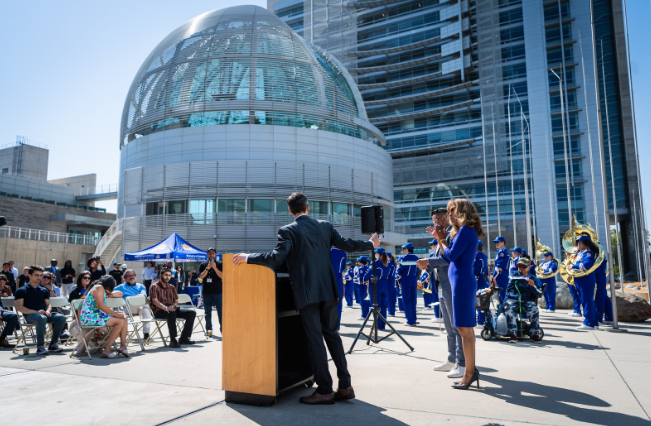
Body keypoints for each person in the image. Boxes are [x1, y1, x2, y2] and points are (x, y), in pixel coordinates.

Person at [232, 192, 380, 405]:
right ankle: (345, 386)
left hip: (307, 293)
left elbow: (276, 258)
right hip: (329, 290)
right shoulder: (325, 226)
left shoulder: (287, 230)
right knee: (333, 336)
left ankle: (326, 389)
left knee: (315, 340)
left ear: (290, 210)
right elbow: (347, 245)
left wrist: (248, 257)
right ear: (308, 207)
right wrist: (370, 244)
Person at [433, 198, 484, 390]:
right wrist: (443, 238)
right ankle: (471, 370)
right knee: (465, 330)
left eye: (452, 211)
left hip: (462, 284)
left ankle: (469, 373)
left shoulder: (465, 231)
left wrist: (441, 239)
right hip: (460, 284)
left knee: (464, 331)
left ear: (462, 211)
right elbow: (450, 256)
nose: (450, 214)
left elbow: (451, 255)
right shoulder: (463, 232)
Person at [417, 208, 464, 378]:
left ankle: (461, 362)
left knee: (457, 327)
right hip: (442, 286)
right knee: (449, 328)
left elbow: (447, 259)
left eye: (436, 220)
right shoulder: (442, 237)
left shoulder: (451, 236)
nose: (434, 224)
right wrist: (426, 265)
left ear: (444, 218)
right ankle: (452, 359)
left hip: (450, 286)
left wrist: (427, 261)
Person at [14, 265, 67, 355]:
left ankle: (53, 344)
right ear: (30, 275)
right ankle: (40, 346)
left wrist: (48, 311)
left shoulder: (44, 290)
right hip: (30, 315)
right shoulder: (21, 291)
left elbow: (48, 304)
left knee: (61, 317)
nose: (39, 277)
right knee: (41, 318)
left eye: (40, 275)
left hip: (43, 314)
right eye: (36, 275)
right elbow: (19, 308)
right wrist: (36, 312)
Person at [80, 275, 130, 359]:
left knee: (124, 318)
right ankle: (107, 350)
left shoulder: (102, 290)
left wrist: (109, 294)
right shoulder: (99, 288)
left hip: (97, 315)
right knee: (120, 321)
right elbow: (100, 306)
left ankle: (123, 346)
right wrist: (115, 314)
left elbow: (120, 294)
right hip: (89, 317)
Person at [150, 268, 196, 347]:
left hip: (171, 309)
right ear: (161, 275)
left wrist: (173, 306)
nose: (167, 277)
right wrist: (165, 308)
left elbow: (176, 301)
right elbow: (154, 301)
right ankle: (173, 339)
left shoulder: (172, 287)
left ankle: (184, 338)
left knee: (192, 313)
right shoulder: (154, 286)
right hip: (159, 311)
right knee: (171, 312)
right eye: (165, 275)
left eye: (169, 275)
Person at [504, 257, 543, 343]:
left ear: (529, 267)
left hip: (527, 300)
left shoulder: (533, 278)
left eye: (523, 266)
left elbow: (539, 293)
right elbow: (512, 278)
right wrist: (525, 278)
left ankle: (534, 333)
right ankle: (513, 334)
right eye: (519, 266)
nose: (521, 268)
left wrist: (532, 286)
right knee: (510, 308)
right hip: (512, 299)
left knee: (534, 309)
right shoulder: (513, 274)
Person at [571, 234, 599, 330]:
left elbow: (586, 266)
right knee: (585, 300)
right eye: (578, 242)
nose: (578, 244)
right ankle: (594, 323)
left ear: (586, 243)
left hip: (585, 279)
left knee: (587, 301)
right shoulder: (580, 253)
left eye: (581, 242)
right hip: (580, 279)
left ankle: (588, 323)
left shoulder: (588, 252)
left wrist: (573, 267)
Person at [115, 269, 152, 339]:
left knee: (146, 310)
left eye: (132, 275)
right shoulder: (121, 287)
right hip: (128, 309)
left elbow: (143, 295)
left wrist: (138, 298)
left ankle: (146, 333)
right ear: (125, 278)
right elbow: (109, 291)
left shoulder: (141, 286)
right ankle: (153, 308)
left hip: (139, 307)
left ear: (135, 276)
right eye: (129, 276)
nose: (131, 277)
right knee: (146, 304)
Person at [365, 247, 391, 330]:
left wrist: (365, 278)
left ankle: (378, 325)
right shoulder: (387, 263)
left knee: (376, 306)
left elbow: (367, 275)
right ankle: (383, 325)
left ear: (378, 254)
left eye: (376, 253)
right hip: (384, 284)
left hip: (376, 285)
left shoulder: (375, 263)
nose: (375, 254)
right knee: (383, 306)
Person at [199, 248, 223, 334]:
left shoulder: (220, 264)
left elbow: (222, 276)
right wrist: (208, 268)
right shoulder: (203, 264)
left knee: (220, 311)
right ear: (207, 255)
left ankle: (222, 330)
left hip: (218, 291)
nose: (211, 255)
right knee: (207, 312)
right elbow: (201, 277)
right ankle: (209, 330)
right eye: (209, 253)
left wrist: (215, 268)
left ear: (215, 254)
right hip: (206, 292)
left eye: (213, 253)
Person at [396, 242, 420, 326]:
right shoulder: (417, 258)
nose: (404, 250)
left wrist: (398, 279)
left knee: (406, 300)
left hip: (406, 279)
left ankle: (410, 320)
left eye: (404, 249)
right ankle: (414, 318)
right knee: (413, 300)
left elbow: (399, 271)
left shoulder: (404, 258)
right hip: (414, 279)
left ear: (406, 249)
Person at [594, 254, 614, 326]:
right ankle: (609, 318)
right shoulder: (597, 248)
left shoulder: (596, 248)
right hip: (600, 273)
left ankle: (598, 319)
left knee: (598, 298)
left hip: (598, 274)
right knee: (604, 297)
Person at [330, 247, 347, 329]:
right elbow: (343, 266)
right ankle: (337, 327)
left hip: (327, 276)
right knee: (338, 303)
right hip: (338, 277)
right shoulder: (342, 252)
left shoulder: (325, 250)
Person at [491, 236, 510, 302]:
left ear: (503, 242)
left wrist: (494, 277)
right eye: (495, 242)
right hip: (503, 274)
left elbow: (499, 267)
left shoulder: (502, 252)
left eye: (498, 242)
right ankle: (504, 310)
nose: (496, 244)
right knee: (502, 294)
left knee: (502, 295)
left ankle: (505, 311)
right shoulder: (502, 251)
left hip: (502, 275)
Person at [474, 241, 489, 326]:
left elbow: (476, 269)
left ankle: (479, 321)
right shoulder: (483, 255)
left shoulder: (476, 256)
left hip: (477, 280)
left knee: (476, 300)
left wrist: (474, 277)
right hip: (483, 280)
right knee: (483, 299)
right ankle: (482, 320)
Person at [427, 239, 442, 322]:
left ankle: (438, 316)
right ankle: (440, 316)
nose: (431, 246)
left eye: (432, 244)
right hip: (439, 277)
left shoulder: (433, 255)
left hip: (436, 277)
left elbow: (430, 268)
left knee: (436, 296)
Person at [387, 252, 397, 317]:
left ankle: (391, 312)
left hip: (388, 282)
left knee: (389, 298)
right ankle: (392, 311)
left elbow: (387, 273)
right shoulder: (392, 263)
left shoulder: (388, 263)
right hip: (391, 282)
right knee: (391, 297)